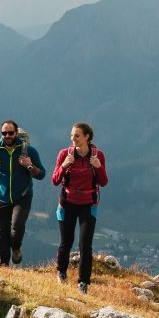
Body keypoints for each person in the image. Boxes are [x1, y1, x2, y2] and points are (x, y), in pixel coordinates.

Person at [52, 121, 107, 293]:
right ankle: (61, 273)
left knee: (85, 245)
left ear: (87, 137)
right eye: (71, 135)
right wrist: (64, 166)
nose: (73, 138)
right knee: (66, 242)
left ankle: (83, 283)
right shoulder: (64, 154)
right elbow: (55, 180)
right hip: (67, 203)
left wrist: (98, 167)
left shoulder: (98, 156)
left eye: (77, 135)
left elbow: (104, 182)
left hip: (88, 205)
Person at [0, 120, 43, 267]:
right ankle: (3, 267)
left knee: (17, 226)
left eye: (10, 133)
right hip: (1, 197)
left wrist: (29, 165)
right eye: (4, 133)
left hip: (22, 196)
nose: (7, 136)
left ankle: (16, 248)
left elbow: (41, 174)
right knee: (2, 232)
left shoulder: (29, 151)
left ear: (16, 133)